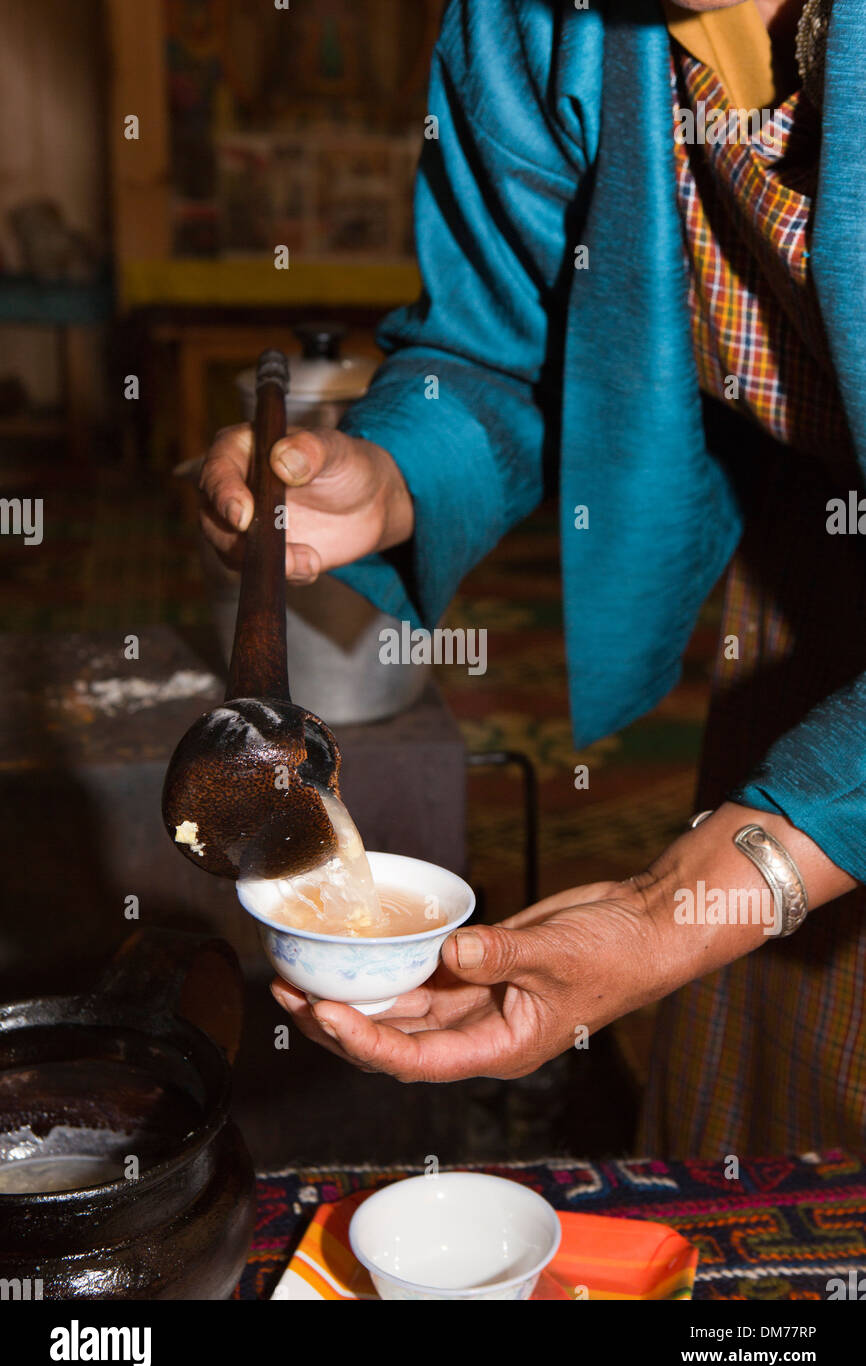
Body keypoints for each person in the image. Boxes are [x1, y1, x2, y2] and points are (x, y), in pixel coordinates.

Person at [199, 0, 866, 1157]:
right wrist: (392, 472)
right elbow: (496, 349)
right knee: (785, 1112)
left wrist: (676, 910)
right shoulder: (528, 25)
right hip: (821, 593)